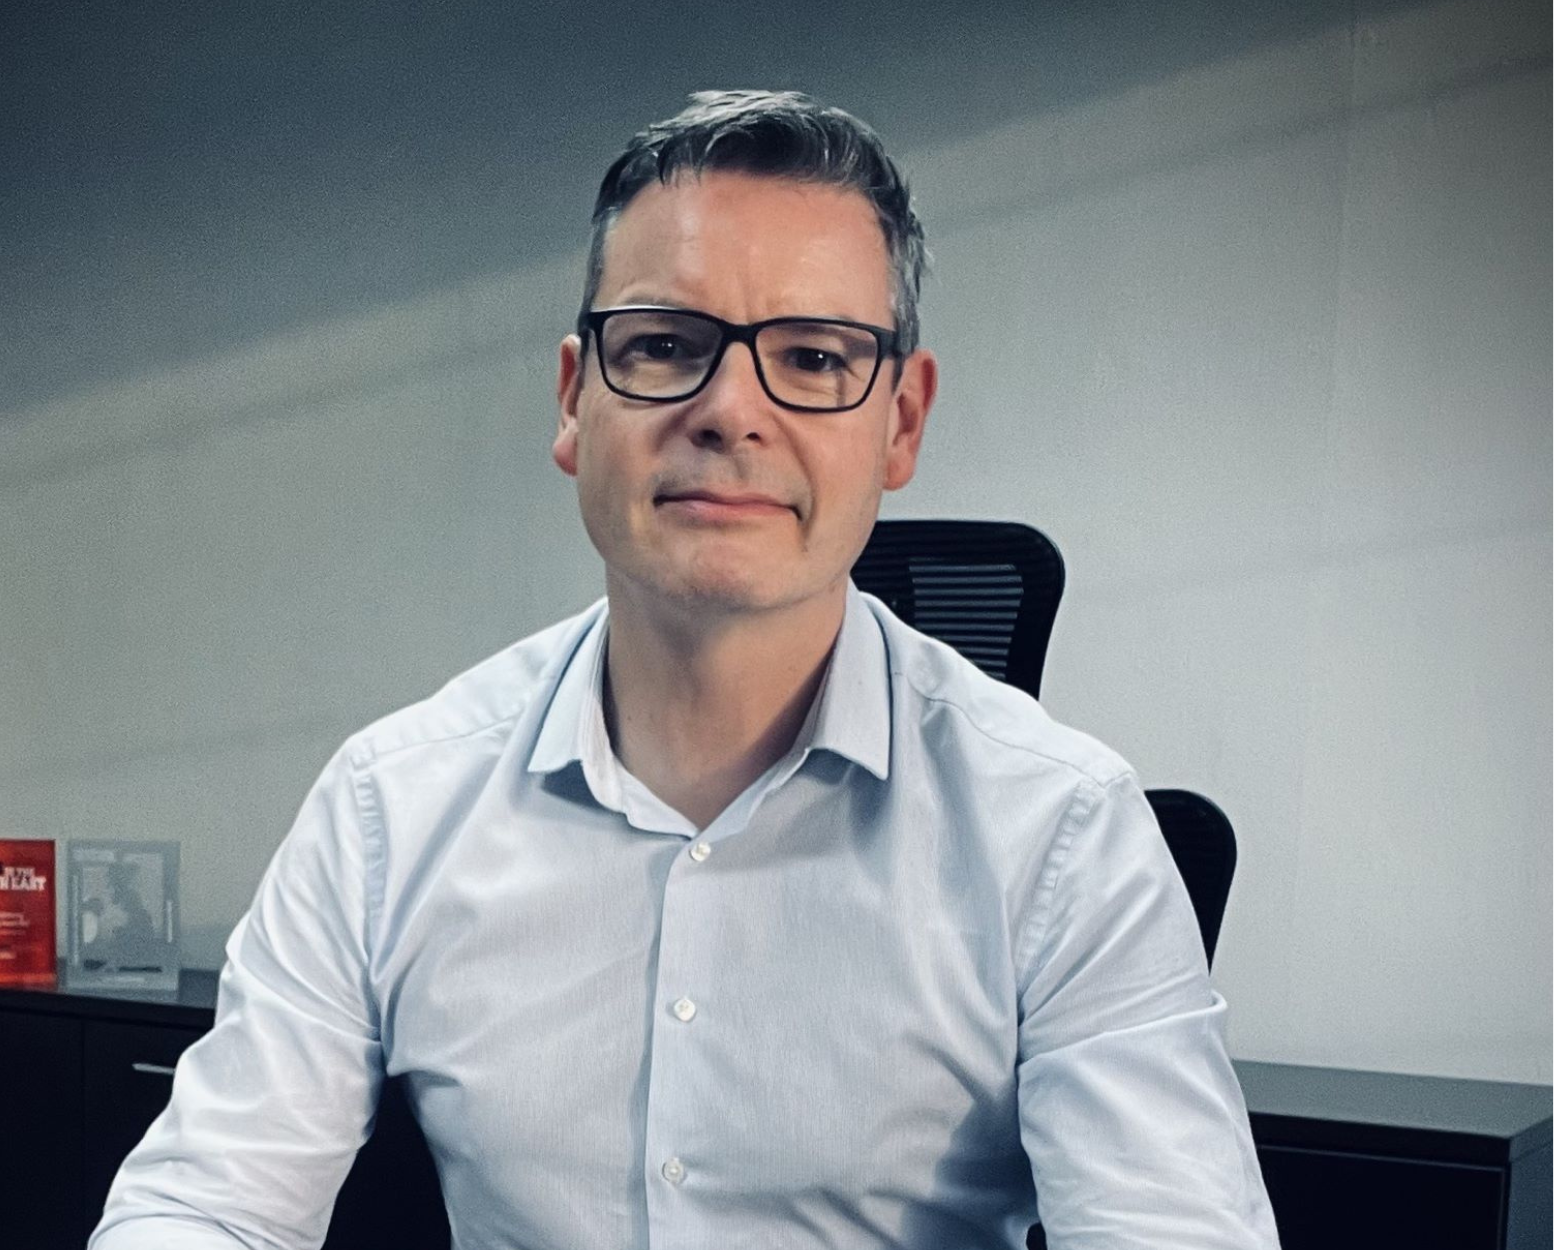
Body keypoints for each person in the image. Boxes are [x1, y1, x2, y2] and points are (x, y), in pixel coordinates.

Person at [91, 89, 1280, 1249]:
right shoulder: (389, 806)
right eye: (664, 345)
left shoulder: (1060, 832)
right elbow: (210, 1201)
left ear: (900, 423)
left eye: (812, 356)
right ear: (574, 400)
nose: (729, 410)